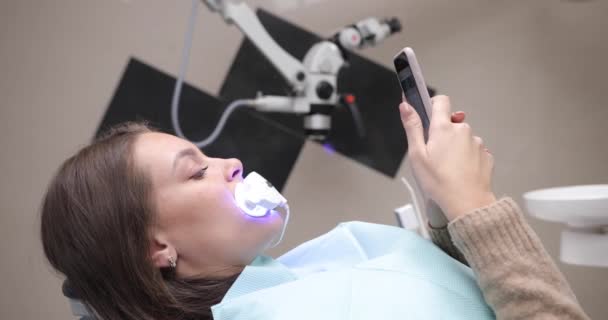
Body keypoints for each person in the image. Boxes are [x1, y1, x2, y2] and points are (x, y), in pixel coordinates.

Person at [40, 96, 590, 320]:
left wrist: (446, 212)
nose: (229, 161)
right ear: (157, 248)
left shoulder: (305, 271)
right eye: (197, 169)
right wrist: (478, 209)